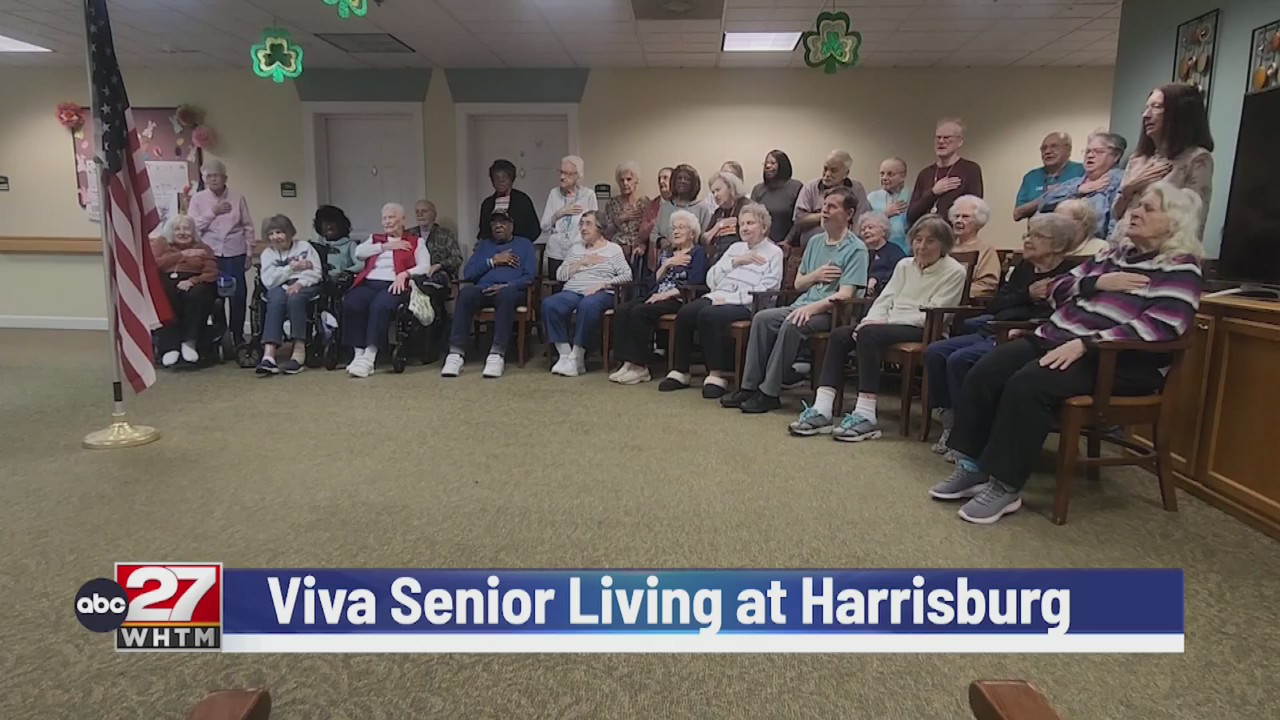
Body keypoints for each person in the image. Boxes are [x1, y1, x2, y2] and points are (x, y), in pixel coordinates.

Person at [931, 182, 1205, 524]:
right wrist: (1096, 283)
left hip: (1114, 360)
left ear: (1175, 221)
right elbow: (1055, 289)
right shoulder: (1113, 256)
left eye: (1148, 208)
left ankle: (1005, 486)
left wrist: (1088, 343)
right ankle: (972, 467)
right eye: (1138, 205)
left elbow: (1164, 326)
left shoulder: (1180, 268)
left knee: (1027, 385)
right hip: (1057, 338)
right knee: (985, 370)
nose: (1135, 212)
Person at [788, 215, 967, 441]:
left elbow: (938, 311)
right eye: (918, 239)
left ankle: (866, 415)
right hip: (889, 324)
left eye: (930, 241)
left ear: (943, 244)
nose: (922, 246)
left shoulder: (955, 271)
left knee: (868, 335)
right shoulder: (904, 265)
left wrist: (883, 324)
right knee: (840, 335)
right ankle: (822, 409)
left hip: (925, 328)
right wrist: (869, 320)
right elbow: (885, 299)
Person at [922, 213, 1080, 453]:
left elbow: (1064, 318)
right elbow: (996, 304)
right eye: (1028, 234)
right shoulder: (1025, 267)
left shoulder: (1071, 274)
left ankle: (970, 432)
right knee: (935, 351)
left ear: (1059, 245)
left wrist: (1024, 322)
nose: (1027, 240)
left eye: (1037, 236)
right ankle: (951, 420)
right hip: (996, 327)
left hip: (1023, 336)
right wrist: (1027, 294)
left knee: (959, 359)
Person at [722, 186, 869, 414]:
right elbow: (799, 284)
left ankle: (769, 393)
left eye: (832, 207)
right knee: (762, 319)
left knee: (792, 323)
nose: (825, 211)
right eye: (824, 206)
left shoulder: (856, 249)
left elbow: (845, 295)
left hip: (832, 313)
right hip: (802, 305)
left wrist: (811, 309)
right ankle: (749, 387)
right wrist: (816, 276)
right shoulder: (816, 242)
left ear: (849, 214)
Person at [660, 202, 783, 396]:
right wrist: (736, 262)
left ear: (764, 227)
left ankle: (717, 374)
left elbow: (769, 287)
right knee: (686, 312)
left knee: (710, 315)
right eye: (742, 224)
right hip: (718, 295)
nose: (744, 228)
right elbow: (712, 278)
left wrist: (732, 299)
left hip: (748, 304)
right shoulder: (735, 248)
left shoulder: (774, 252)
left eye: (750, 223)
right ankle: (681, 371)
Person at [610, 210, 708, 385]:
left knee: (640, 311)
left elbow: (696, 281)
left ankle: (640, 367)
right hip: (657, 295)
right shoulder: (668, 253)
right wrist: (667, 264)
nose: (676, 231)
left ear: (692, 233)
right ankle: (627, 362)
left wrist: (666, 294)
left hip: (679, 299)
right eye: (673, 228)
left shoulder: (697, 253)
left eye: (681, 227)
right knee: (622, 309)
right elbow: (651, 282)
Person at [441, 210, 536, 379]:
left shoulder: (525, 245)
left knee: (507, 295)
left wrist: (507, 285)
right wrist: (493, 261)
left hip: (510, 290)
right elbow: (469, 274)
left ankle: (497, 354)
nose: (498, 226)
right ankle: (455, 353)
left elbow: (530, 277)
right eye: (494, 223)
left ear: (511, 226)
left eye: (503, 222)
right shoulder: (484, 246)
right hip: (483, 289)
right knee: (466, 293)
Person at [342, 203, 431, 378]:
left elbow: (425, 266)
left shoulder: (415, 241)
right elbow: (359, 253)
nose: (387, 222)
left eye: (391, 217)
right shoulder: (375, 239)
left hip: (394, 284)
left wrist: (405, 274)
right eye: (384, 218)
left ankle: (369, 357)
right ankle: (358, 354)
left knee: (380, 306)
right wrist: (384, 247)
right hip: (369, 283)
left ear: (402, 220)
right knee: (352, 302)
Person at [1113, 84, 1215, 235]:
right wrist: (1130, 187)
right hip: (1120, 243)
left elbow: (1193, 220)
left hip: (1159, 247)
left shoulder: (1197, 158)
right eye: (1146, 108)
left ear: (1180, 113)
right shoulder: (1138, 158)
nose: (1146, 115)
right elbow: (1116, 213)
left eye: (1157, 107)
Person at [543, 211, 633, 377]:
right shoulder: (575, 249)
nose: (583, 228)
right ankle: (565, 355)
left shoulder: (613, 249)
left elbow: (627, 275)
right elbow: (560, 275)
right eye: (581, 224)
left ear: (600, 228)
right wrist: (581, 262)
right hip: (573, 291)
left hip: (602, 292)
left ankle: (577, 355)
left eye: (588, 224)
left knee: (588, 304)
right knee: (550, 304)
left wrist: (603, 284)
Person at [188, 158, 255, 344]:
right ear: (204, 179)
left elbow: (248, 226)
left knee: (238, 295)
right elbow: (192, 227)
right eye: (208, 176)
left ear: (225, 178)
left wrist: (250, 252)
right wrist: (213, 212)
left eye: (216, 175)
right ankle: (220, 335)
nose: (213, 179)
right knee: (215, 296)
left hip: (235, 253)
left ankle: (237, 335)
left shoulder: (237, 197)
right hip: (210, 254)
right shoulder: (198, 199)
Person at [255, 215, 323, 376]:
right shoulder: (268, 254)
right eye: (271, 234)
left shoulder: (304, 247)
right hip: (278, 287)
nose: (275, 237)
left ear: (289, 232)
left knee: (295, 298)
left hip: (305, 285)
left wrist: (300, 283)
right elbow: (269, 281)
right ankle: (269, 355)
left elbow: (316, 272)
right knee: (275, 299)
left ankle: (298, 352)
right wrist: (291, 268)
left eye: (279, 232)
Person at [150, 214, 216, 368]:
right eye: (177, 229)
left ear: (193, 232)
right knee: (164, 293)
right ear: (170, 231)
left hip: (195, 282)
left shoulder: (203, 248)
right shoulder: (161, 244)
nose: (182, 232)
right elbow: (154, 264)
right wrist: (181, 255)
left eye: (186, 229)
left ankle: (189, 342)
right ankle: (170, 346)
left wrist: (192, 281)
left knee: (197, 294)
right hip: (166, 281)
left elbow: (211, 272)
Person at [1039, 131, 1128, 239]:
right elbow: (1043, 204)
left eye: (1098, 151)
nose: (1090, 156)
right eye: (1087, 151)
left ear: (1116, 156)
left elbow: (1116, 222)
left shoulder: (1120, 181)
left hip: (1095, 244)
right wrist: (1078, 190)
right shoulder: (1076, 182)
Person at [907, 117, 984, 225]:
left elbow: (974, 211)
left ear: (959, 142)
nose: (941, 141)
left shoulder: (970, 170)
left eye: (947, 138)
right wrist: (933, 192)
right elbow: (911, 215)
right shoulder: (925, 174)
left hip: (954, 233)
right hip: (926, 231)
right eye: (938, 137)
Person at [791, 150, 871, 248]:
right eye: (825, 169)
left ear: (846, 173)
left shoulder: (857, 189)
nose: (827, 174)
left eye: (834, 170)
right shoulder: (810, 187)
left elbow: (860, 220)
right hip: (814, 246)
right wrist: (827, 215)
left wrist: (850, 245)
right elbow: (798, 219)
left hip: (846, 246)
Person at [541, 155, 598, 278]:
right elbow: (544, 226)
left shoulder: (588, 195)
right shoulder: (554, 194)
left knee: (577, 286)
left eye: (568, 174)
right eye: (561, 172)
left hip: (579, 253)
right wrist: (560, 213)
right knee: (557, 286)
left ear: (578, 175)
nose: (562, 177)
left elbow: (595, 228)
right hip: (556, 253)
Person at [1012, 132, 1085, 221]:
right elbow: (1017, 214)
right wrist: (1046, 197)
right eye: (1044, 148)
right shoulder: (1031, 177)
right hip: (1038, 228)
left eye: (1054, 147)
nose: (1048, 151)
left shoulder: (1083, 171)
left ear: (1068, 149)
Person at [650, 164, 712, 263]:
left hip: (692, 260)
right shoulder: (665, 207)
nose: (682, 181)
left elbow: (706, 238)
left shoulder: (702, 208)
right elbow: (654, 233)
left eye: (687, 179)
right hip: (667, 259)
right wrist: (661, 241)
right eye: (679, 178)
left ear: (694, 184)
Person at [602, 161, 651, 276]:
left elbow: (650, 228)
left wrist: (643, 245)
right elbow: (605, 233)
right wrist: (620, 219)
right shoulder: (612, 203)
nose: (625, 183)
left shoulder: (644, 202)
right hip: (616, 250)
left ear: (636, 180)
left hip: (638, 249)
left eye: (629, 179)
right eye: (621, 180)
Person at [948, 195, 1000, 298]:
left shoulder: (986, 250)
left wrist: (954, 293)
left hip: (963, 303)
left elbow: (987, 285)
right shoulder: (945, 247)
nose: (958, 220)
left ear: (978, 221)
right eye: (956, 216)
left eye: (965, 217)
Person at [477, 159, 541, 244]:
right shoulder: (487, 204)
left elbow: (534, 231)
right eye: (497, 177)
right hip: (493, 248)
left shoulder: (523, 200)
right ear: (492, 181)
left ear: (511, 179)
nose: (501, 181)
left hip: (518, 247)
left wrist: (519, 245)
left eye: (505, 177)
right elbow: (483, 232)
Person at [750, 150, 804, 244]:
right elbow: (751, 218)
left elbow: (799, 220)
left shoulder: (796, 187)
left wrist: (788, 241)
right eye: (766, 163)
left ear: (782, 165)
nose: (768, 166)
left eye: (772, 163)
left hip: (787, 244)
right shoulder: (758, 189)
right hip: (761, 243)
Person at [406, 199, 463, 285]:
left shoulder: (445, 234)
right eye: (417, 212)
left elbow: (457, 259)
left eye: (424, 211)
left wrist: (439, 265)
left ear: (434, 215)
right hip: (413, 275)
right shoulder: (409, 234)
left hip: (438, 276)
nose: (420, 214)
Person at [866, 157, 911, 254]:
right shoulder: (871, 198)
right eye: (882, 174)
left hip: (905, 250)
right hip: (876, 251)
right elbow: (864, 225)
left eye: (890, 174)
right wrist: (885, 214)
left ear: (902, 176)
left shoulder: (911, 197)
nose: (884, 178)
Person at [704, 171, 749, 260]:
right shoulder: (719, 212)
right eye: (713, 192)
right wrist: (719, 226)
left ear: (730, 188)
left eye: (718, 190)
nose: (715, 195)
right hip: (718, 260)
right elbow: (704, 240)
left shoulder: (746, 208)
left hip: (740, 258)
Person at [859, 212, 907, 297]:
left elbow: (901, 273)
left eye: (870, 227)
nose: (866, 231)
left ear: (883, 231)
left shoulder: (894, 251)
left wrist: (876, 279)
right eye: (863, 230)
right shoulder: (862, 253)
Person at [638, 167, 674, 279]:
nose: (661, 181)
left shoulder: (681, 203)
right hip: (655, 260)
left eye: (665, 178)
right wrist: (655, 221)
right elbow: (642, 234)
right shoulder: (652, 205)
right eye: (659, 179)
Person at [311, 205, 361, 279]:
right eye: (325, 223)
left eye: (332, 223)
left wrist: (346, 272)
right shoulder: (317, 246)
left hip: (341, 281)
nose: (329, 226)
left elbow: (361, 264)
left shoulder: (350, 244)